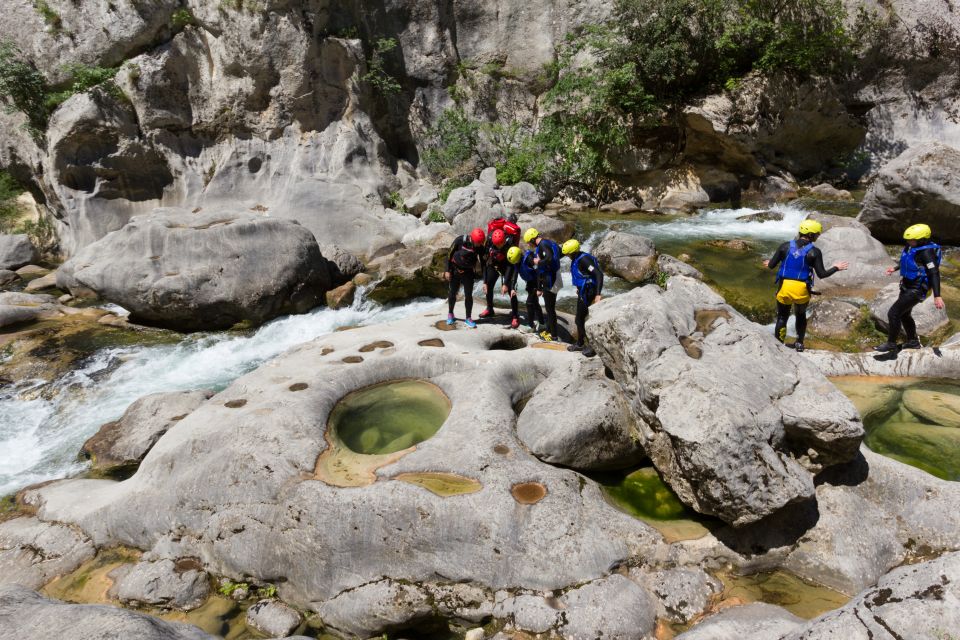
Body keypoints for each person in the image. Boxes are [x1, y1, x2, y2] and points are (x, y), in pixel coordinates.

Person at [764, 219, 849, 352]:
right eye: (817, 234)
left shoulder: (784, 246)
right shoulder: (815, 252)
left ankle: (778, 345)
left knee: (782, 317)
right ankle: (799, 343)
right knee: (800, 315)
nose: (817, 236)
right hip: (801, 290)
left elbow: (771, 265)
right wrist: (836, 268)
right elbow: (822, 274)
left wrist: (769, 263)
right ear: (810, 235)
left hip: (784, 288)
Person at [874, 223, 944, 352]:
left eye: (911, 240)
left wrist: (937, 296)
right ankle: (913, 342)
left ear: (922, 239)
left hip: (917, 289)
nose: (909, 242)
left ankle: (891, 343)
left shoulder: (927, 252)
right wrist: (894, 268)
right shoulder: (913, 245)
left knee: (893, 313)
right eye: (908, 240)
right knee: (904, 315)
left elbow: (934, 274)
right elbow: (907, 259)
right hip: (907, 285)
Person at [562, 239, 603, 356]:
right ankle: (582, 343)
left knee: (580, 319)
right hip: (584, 291)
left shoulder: (584, 260)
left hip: (589, 292)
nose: (567, 256)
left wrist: (598, 294)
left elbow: (598, 274)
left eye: (568, 254)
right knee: (580, 319)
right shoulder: (577, 258)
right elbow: (584, 275)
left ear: (573, 252)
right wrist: (579, 288)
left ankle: (586, 345)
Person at [479, 216, 522, 324]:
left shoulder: (509, 243)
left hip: (507, 265)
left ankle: (515, 316)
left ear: (504, 240)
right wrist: (484, 281)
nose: (498, 246)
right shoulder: (489, 240)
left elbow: (510, 265)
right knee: (488, 285)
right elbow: (484, 262)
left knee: (511, 291)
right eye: (496, 244)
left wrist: (506, 283)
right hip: (494, 264)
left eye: (500, 244)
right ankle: (489, 309)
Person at [524, 228, 562, 341]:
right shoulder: (548, 242)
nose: (530, 245)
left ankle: (553, 335)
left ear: (532, 239)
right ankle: (550, 331)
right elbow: (559, 253)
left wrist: (538, 262)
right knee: (549, 307)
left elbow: (549, 258)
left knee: (550, 309)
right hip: (553, 277)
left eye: (529, 242)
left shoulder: (543, 245)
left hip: (552, 279)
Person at [444, 228, 485, 328]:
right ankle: (450, 314)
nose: (480, 245)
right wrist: (446, 270)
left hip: (468, 273)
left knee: (468, 295)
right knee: (452, 293)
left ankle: (468, 318)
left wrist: (485, 279)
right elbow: (449, 255)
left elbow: (483, 263)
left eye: (481, 242)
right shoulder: (460, 240)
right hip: (455, 271)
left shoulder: (479, 247)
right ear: (473, 239)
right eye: (478, 243)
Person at [514, 246, 545, 331]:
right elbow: (515, 274)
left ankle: (531, 325)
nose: (514, 263)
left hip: (536, 282)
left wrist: (539, 288)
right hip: (530, 283)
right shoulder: (517, 262)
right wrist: (513, 287)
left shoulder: (529, 259)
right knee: (535, 303)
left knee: (529, 303)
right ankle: (542, 323)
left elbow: (539, 272)